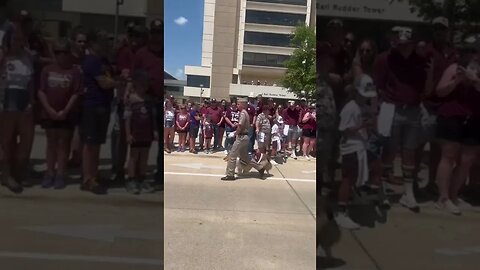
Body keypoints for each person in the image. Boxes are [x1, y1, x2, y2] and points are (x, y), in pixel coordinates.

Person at [374, 26, 427, 211]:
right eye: (401, 44)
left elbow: (423, 86)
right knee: (388, 151)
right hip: (390, 108)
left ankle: (408, 193)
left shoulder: (420, 61)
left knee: (409, 151)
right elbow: (378, 86)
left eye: (407, 44)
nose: (404, 47)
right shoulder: (385, 59)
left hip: (412, 109)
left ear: (413, 45)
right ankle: (382, 190)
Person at [434, 34, 480, 215]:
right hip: (452, 116)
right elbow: (439, 91)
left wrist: (475, 80)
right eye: (465, 50)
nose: (469, 54)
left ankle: (454, 195)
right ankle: (443, 198)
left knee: (467, 160)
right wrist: (457, 81)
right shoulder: (453, 67)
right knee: (448, 157)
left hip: (475, 118)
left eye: (473, 50)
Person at [38, 39, 82, 189]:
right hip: (49, 112)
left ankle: (61, 173)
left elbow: (76, 93)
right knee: (51, 143)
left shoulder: (75, 72)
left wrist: (65, 111)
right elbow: (41, 91)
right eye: (57, 52)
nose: (61, 55)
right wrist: (49, 109)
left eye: (64, 52)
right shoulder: (47, 70)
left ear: (69, 53)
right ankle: (49, 172)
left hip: (67, 113)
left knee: (64, 144)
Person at [80, 30, 120, 195]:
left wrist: (115, 80)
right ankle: (87, 178)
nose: (105, 45)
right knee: (90, 144)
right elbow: (104, 82)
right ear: (93, 44)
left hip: (103, 105)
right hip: (92, 105)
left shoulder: (103, 61)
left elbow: (111, 77)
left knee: (96, 144)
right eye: (101, 42)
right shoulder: (91, 61)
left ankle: (93, 175)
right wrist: (120, 82)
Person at [335, 82, 376, 229]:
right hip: (350, 148)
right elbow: (344, 129)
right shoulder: (350, 107)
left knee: (352, 179)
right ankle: (341, 212)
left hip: (359, 146)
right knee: (347, 179)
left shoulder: (361, 106)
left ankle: (347, 206)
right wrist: (363, 126)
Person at [111, 24, 149, 183]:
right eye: (133, 36)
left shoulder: (143, 53)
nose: (135, 40)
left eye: (138, 36)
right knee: (120, 136)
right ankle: (118, 169)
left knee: (138, 140)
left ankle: (136, 173)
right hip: (124, 100)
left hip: (139, 101)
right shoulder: (124, 51)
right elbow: (121, 73)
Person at [0, 26, 34, 194]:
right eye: (15, 39)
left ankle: (17, 170)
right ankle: (7, 175)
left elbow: (30, 81)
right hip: (6, 99)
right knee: (6, 141)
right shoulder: (3, 56)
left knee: (26, 141)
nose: (18, 42)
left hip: (24, 99)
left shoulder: (27, 57)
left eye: (21, 39)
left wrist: (31, 101)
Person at [133, 19, 163, 190]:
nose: (157, 36)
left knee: (159, 145)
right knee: (140, 141)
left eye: (160, 33)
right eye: (154, 32)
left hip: (159, 104)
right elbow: (134, 77)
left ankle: (159, 175)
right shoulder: (141, 54)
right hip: (144, 103)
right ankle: (136, 176)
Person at [124, 69, 157, 195]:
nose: (144, 87)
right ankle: (131, 179)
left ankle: (142, 179)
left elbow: (152, 117)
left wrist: (154, 131)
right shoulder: (131, 99)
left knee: (144, 157)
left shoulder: (149, 100)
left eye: (146, 84)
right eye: (141, 84)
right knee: (133, 157)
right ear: (136, 84)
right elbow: (127, 118)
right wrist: (128, 133)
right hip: (135, 133)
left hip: (146, 133)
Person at [221, 98, 269, 181]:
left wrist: (234, 133)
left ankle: (230, 174)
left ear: (243, 104)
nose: (237, 105)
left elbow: (240, 126)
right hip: (244, 137)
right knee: (245, 157)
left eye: (238, 104)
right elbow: (241, 124)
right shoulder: (244, 113)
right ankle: (260, 168)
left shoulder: (243, 113)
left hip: (241, 137)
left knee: (232, 155)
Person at [68, 26, 87, 168]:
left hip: (83, 99)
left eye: (84, 41)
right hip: (67, 99)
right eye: (79, 41)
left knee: (80, 131)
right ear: (73, 42)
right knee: (66, 132)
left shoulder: (87, 59)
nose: (82, 44)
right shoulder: (67, 58)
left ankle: (77, 158)